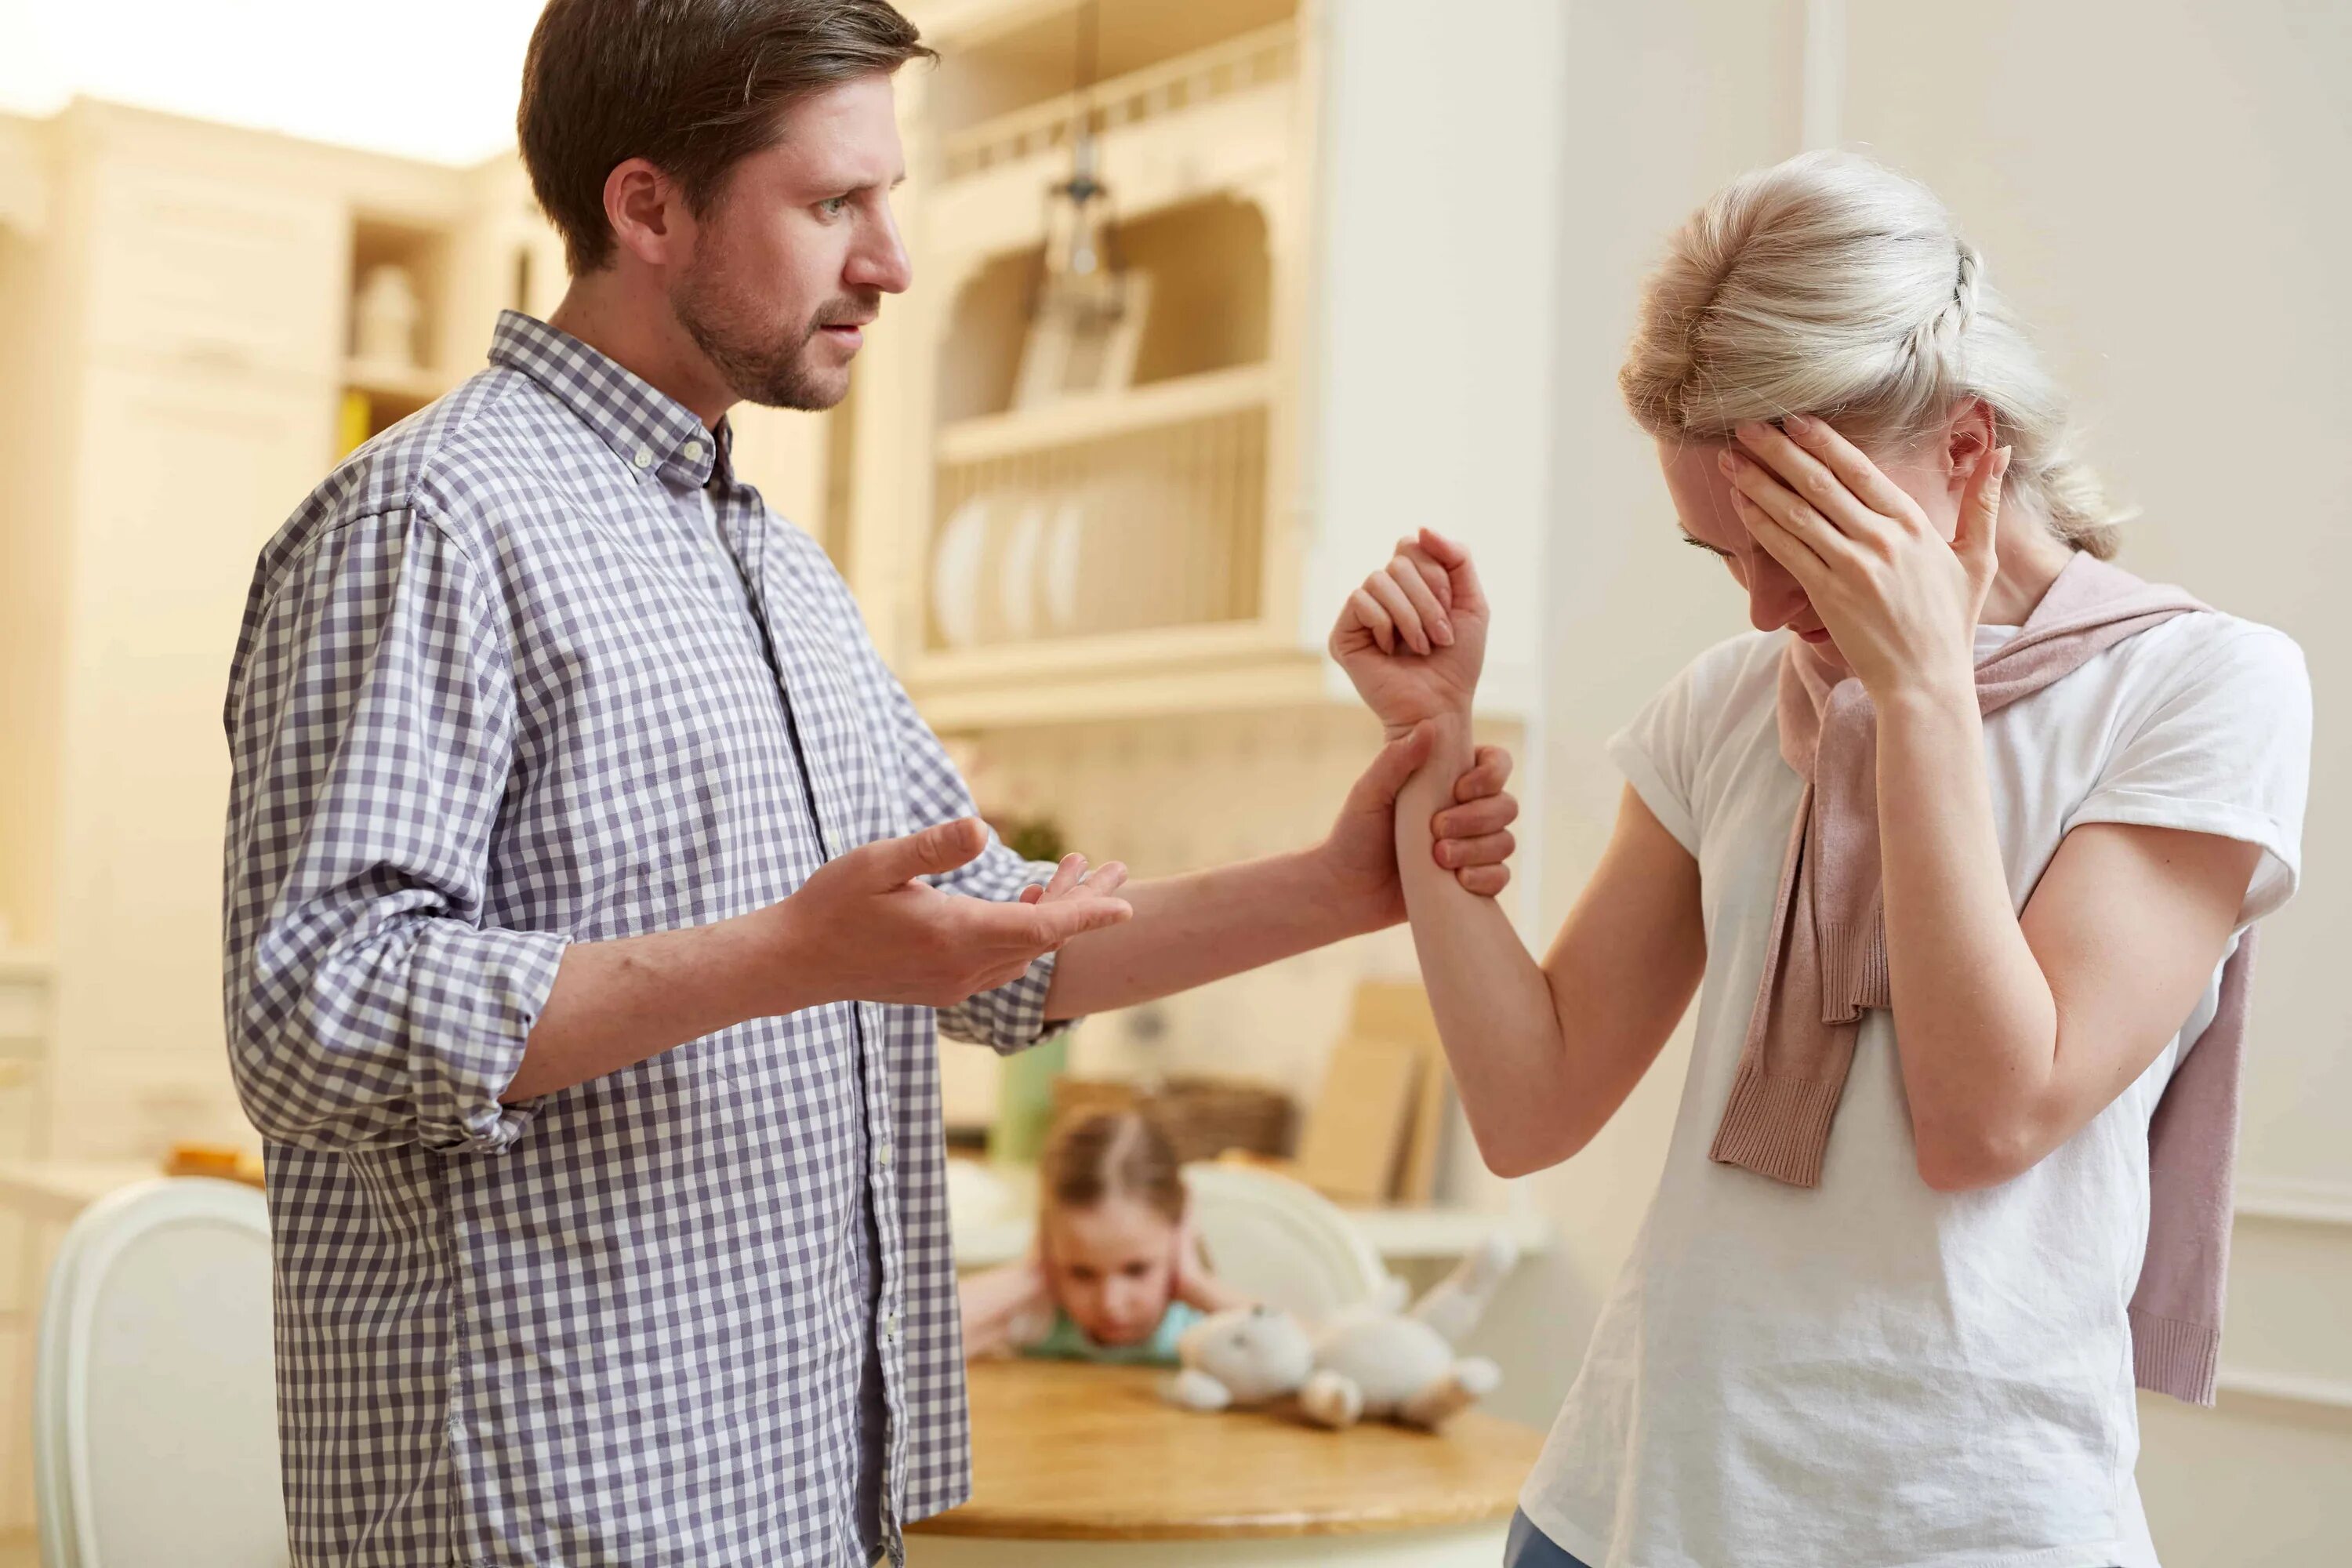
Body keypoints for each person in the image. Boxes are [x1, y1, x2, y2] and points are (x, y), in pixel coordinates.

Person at [218, 3, 1523, 1565]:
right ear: (646, 206)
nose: (892, 260)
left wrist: (1341, 880)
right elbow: (315, 1013)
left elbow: (982, 949)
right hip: (555, 1515)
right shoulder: (428, 522)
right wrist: (789, 956)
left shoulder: (779, 573)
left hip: (798, 1505)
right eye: (835, 202)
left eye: (888, 201)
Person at [1330, 151, 2311, 1568]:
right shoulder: (1732, 702)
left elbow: (1990, 1118)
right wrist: (1431, 744)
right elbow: (1531, 1104)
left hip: (1966, 1527)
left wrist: (1924, 697)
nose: (1763, 602)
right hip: (1620, 1508)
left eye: (1797, 538)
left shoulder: (2200, 688)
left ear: (1967, 452)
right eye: (1717, 552)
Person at [960, 1109, 1248, 1364]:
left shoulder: (1201, 1324)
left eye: (1137, 1270)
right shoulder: (1036, 1318)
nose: (1110, 1303)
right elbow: (917, 1339)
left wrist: (1193, 1280)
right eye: (1081, 1273)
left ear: (1180, 1229)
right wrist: (1032, 1273)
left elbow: (1290, 1357)